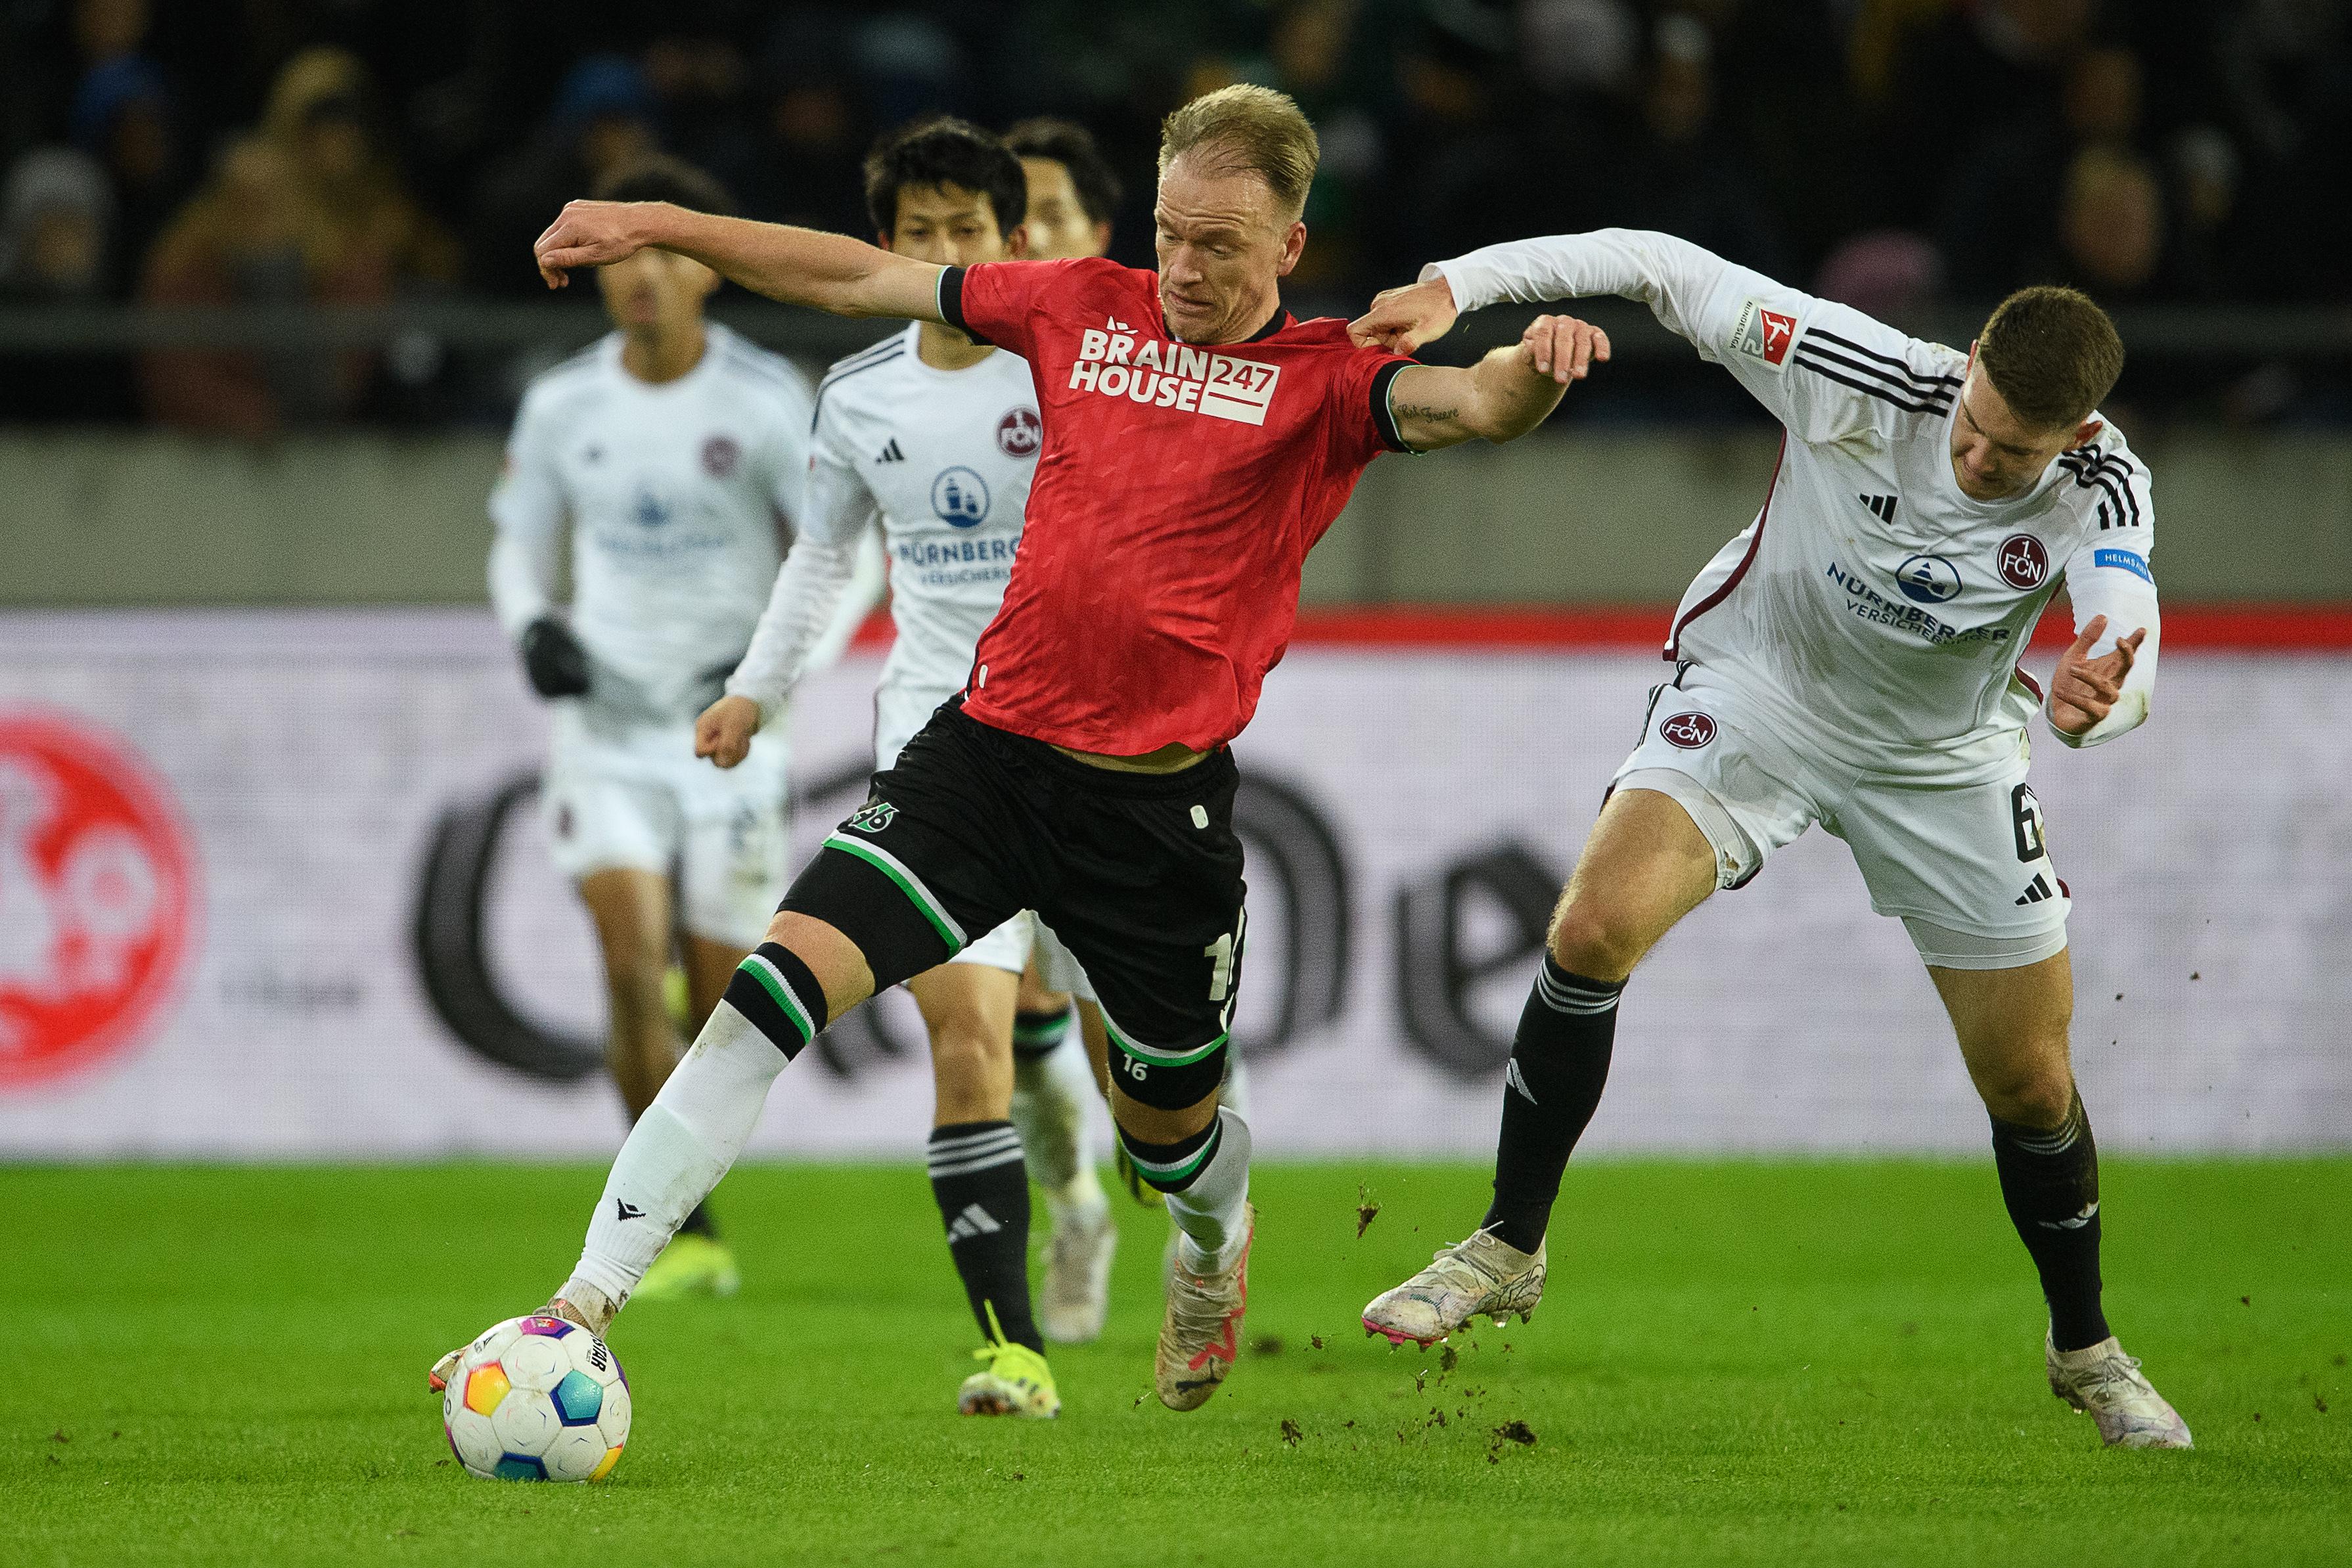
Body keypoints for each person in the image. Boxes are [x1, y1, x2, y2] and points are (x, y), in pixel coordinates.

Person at [439, 83, 1598, 1414]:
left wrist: (1539, 366)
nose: (1181, 266)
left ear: (1290, 244)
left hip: (1155, 825)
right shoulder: (1075, 306)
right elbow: (861, 274)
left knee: (1166, 1139)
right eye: (1167, 233)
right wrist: (662, 222)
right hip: (983, 762)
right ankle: (580, 1302)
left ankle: (1212, 1245)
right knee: (770, 992)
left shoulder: (1326, 382)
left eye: (1219, 243)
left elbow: (1472, 404)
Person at [1350, 228, 2190, 1450]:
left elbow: (2126, 627)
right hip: (1762, 695)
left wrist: (2102, 698)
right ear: (1966, 367)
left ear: (2075, 436)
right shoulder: (1858, 370)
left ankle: (2086, 1349)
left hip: (1942, 761)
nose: (1977, 455)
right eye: (1973, 422)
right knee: (1591, 927)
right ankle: (1505, 1248)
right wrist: (1457, 284)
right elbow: (1653, 261)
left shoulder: (2105, 483)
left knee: (2030, 1080)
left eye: (2014, 452)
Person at [700, 117, 1113, 1420]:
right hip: (941, 748)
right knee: (965, 1048)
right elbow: (827, 559)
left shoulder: (1072, 375)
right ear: (885, 247)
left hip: (1099, 746)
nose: (942, 252)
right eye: (918, 232)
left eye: (967, 230)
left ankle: (1099, 1201)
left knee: (1126, 1064)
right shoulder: (859, 394)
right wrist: (755, 691)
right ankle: (1012, 1347)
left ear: (1007, 242)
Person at [480, 154, 859, 1309]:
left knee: (715, 993)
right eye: (620, 257)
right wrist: (532, 626)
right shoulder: (562, 405)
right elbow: (515, 542)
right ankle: (678, 1236)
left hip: (727, 735)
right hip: (604, 729)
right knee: (626, 962)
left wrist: (774, 671)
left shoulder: (763, 396)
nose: (641, 276)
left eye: (665, 254)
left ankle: (678, 1193)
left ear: (704, 269)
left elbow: (848, 552)